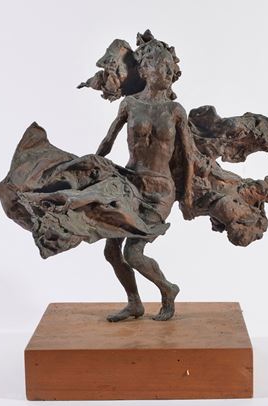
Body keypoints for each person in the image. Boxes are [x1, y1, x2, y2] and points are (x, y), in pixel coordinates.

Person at [96, 39, 197, 321]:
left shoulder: (175, 111)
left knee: (134, 253)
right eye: (161, 66)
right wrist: (87, 168)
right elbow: (107, 142)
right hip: (130, 185)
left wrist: (188, 194)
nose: (168, 72)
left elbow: (189, 156)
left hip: (161, 191)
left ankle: (168, 289)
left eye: (170, 68)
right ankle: (134, 303)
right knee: (111, 250)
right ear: (144, 70)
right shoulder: (129, 104)